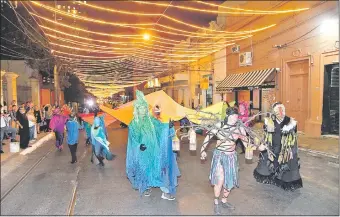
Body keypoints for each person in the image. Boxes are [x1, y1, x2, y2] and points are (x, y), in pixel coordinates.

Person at [200, 107, 257, 215]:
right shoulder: (220, 126)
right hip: (220, 156)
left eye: (236, 116)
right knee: (219, 180)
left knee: (229, 181)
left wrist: (257, 146)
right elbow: (208, 137)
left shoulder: (240, 129)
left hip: (231, 157)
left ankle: (224, 200)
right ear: (228, 116)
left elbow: (246, 144)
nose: (235, 118)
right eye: (233, 116)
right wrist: (202, 150)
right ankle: (216, 202)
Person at [126, 90, 180, 200]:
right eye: (141, 108)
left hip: (155, 150)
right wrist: (138, 146)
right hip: (143, 152)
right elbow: (133, 139)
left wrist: (168, 126)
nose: (143, 110)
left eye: (145, 107)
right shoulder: (133, 123)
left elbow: (160, 128)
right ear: (137, 109)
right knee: (145, 170)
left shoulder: (150, 120)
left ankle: (165, 191)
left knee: (159, 168)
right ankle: (146, 187)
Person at [253, 102, 303, 191]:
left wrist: (291, 151)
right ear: (274, 112)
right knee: (272, 162)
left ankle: (282, 180)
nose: (281, 112)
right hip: (272, 147)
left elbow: (294, 139)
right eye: (278, 110)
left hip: (285, 149)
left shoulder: (291, 122)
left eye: (282, 110)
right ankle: (273, 178)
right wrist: (262, 144)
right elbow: (266, 135)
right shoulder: (269, 121)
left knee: (284, 165)